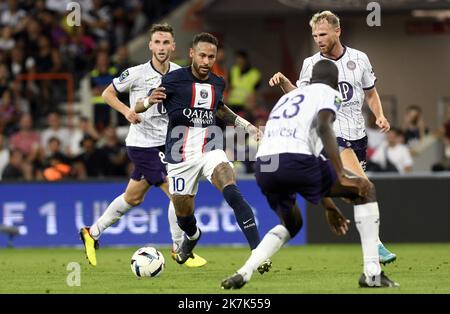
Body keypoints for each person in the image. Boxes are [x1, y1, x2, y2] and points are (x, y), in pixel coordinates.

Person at [221, 60, 399, 289]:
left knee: (292, 223)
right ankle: (372, 273)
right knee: (365, 188)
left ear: (311, 79)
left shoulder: (287, 99)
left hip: (265, 165)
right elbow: (324, 128)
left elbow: (310, 168)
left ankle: (244, 272)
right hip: (294, 159)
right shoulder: (329, 94)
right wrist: (340, 173)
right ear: (335, 83)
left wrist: (330, 208)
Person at [135, 32, 271, 273]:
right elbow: (139, 105)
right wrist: (147, 102)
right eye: (202, 56)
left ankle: (258, 252)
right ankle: (193, 235)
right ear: (191, 54)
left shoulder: (218, 82)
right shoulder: (174, 79)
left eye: (211, 56)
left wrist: (247, 126)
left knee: (233, 192)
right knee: (185, 218)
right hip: (179, 157)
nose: (206, 61)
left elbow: (219, 109)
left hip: (211, 149)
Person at [268, 10, 396, 265]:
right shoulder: (310, 63)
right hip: (330, 132)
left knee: (355, 193)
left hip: (357, 134)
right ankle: (377, 247)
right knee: (364, 184)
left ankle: (330, 208)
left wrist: (379, 115)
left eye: (323, 33)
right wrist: (284, 82)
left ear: (338, 31)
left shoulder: (359, 59)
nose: (318, 38)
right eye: (315, 35)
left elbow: (370, 93)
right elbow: (301, 97)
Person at [79, 23, 206, 268]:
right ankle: (180, 249)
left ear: (173, 46)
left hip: (169, 144)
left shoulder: (181, 74)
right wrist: (127, 111)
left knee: (133, 197)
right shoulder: (135, 73)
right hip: (143, 145)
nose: (161, 47)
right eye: (157, 42)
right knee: (178, 193)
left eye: (166, 42)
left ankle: (91, 233)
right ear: (150, 45)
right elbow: (107, 94)